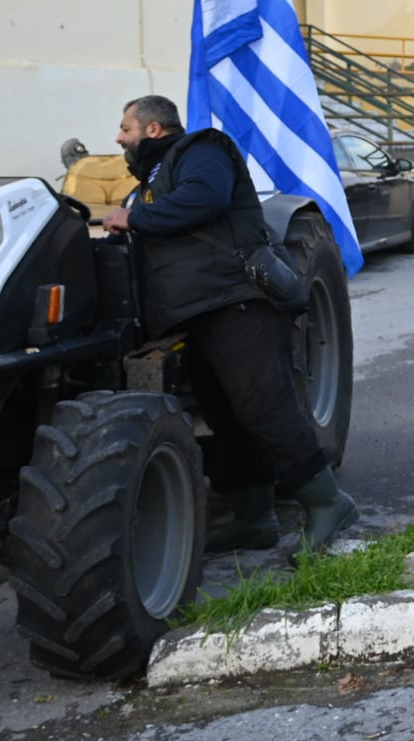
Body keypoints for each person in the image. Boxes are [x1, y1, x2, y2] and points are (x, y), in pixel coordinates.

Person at [102, 95, 358, 555]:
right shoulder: (149, 185)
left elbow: (205, 198)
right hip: (196, 314)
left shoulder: (201, 149)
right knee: (226, 416)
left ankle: (327, 504)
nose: (119, 138)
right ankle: (253, 517)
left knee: (264, 406)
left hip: (236, 303)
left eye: (125, 128)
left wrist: (133, 217)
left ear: (154, 129)